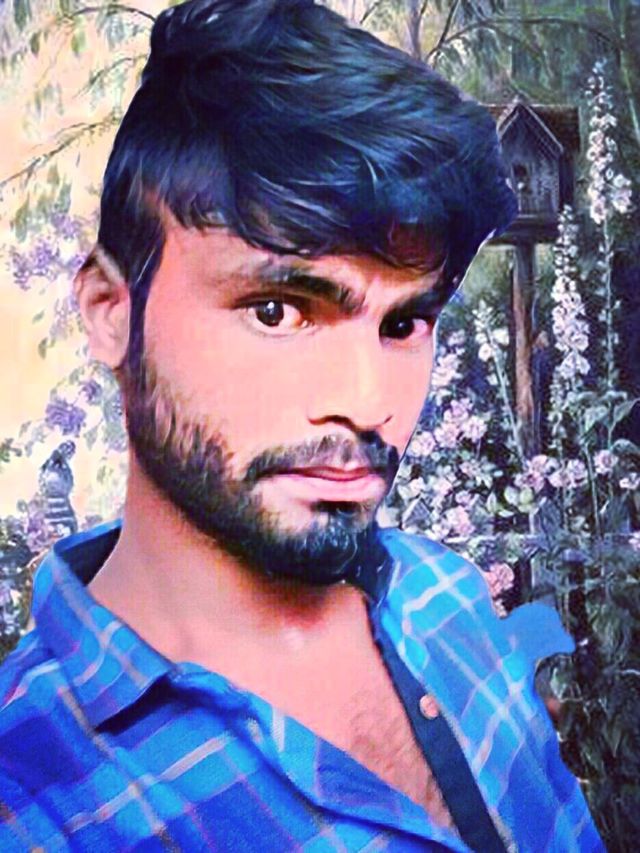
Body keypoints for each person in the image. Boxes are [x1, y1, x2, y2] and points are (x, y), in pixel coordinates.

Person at [0, 1, 604, 850]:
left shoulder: (448, 597)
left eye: (404, 323)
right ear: (109, 311)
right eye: (278, 310)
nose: (366, 401)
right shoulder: (31, 802)